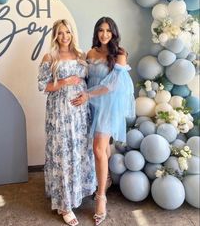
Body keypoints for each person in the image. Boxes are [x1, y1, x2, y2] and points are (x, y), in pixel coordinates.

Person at [71, 17, 135, 226]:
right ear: (96, 32)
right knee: (102, 148)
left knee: (98, 149)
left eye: (108, 30)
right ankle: (105, 180)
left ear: (114, 32)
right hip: (90, 105)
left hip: (107, 106)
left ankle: (101, 198)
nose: (104, 34)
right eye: (100, 30)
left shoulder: (120, 54)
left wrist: (88, 95)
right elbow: (83, 76)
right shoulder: (90, 53)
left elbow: (113, 85)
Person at [38, 19, 96, 226]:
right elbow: (42, 86)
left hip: (80, 115)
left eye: (68, 32)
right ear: (55, 36)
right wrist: (63, 82)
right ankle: (64, 205)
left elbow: (88, 81)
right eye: (60, 33)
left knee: (78, 153)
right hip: (59, 114)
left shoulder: (81, 56)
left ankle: (76, 193)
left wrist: (85, 95)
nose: (65, 36)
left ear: (72, 34)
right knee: (62, 155)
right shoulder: (50, 57)